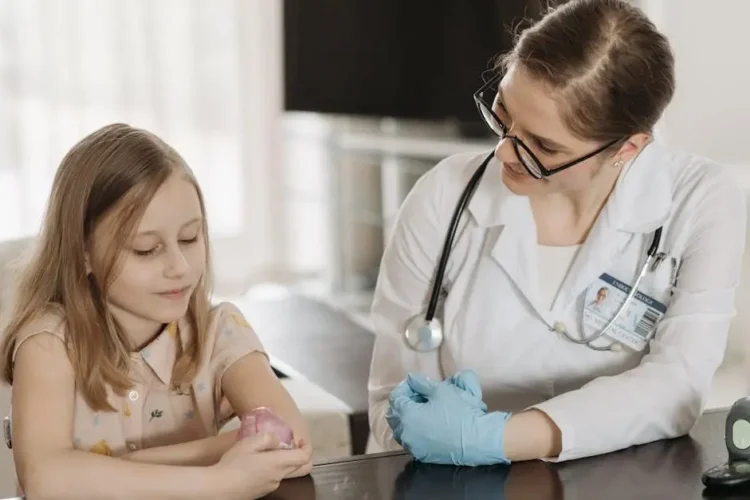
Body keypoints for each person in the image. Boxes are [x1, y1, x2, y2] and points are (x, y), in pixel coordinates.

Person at [368, 0, 746, 466]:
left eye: (543, 145)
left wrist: (495, 438)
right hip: (450, 481)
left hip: (622, 479)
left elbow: (677, 384)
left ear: (627, 148)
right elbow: (393, 399)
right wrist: (422, 430)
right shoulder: (445, 195)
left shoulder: (700, 199)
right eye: (502, 116)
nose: (505, 154)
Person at [0, 123, 312, 499]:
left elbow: (290, 443)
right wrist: (221, 479)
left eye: (189, 238)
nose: (179, 266)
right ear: (82, 253)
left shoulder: (219, 331)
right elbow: (45, 480)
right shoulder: (50, 343)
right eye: (146, 249)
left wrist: (93, 473)